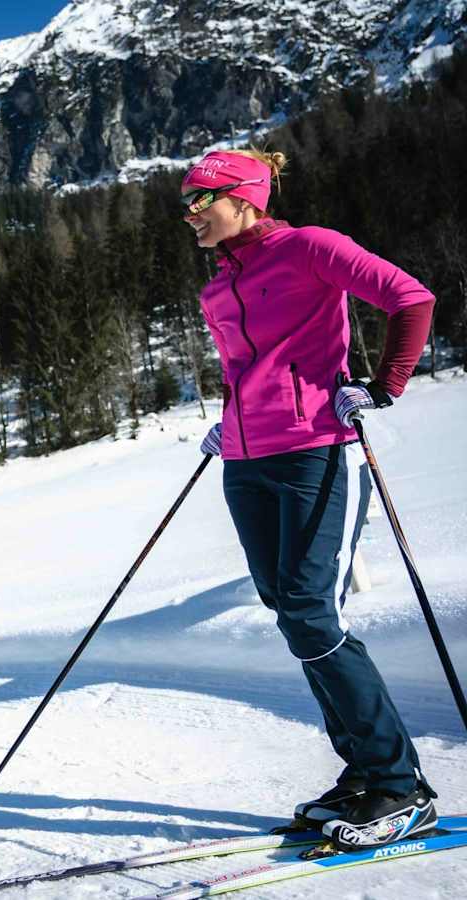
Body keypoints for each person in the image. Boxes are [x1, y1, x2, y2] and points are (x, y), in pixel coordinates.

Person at [183, 149, 439, 850]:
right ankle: (362, 773)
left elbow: (411, 298)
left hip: (312, 450)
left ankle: (400, 785)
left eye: (201, 202)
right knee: (290, 612)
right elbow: (246, 369)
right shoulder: (217, 288)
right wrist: (229, 417)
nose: (191, 217)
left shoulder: (310, 249)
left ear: (244, 198)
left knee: (308, 609)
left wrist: (383, 386)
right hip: (245, 461)